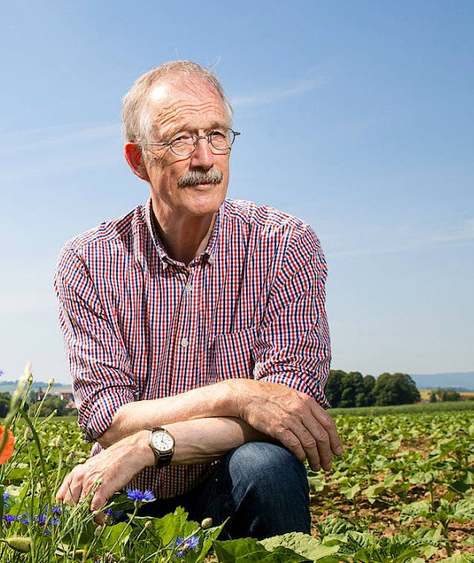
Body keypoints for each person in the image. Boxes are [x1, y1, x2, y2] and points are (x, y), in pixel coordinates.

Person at [53, 60, 342, 539]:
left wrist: (150, 445)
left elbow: (289, 409)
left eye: (217, 135)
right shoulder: (89, 260)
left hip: (226, 482)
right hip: (128, 494)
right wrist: (239, 396)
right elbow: (110, 419)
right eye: (180, 140)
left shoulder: (284, 244)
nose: (205, 159)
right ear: (138, 161)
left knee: (265, 465)